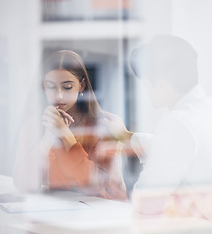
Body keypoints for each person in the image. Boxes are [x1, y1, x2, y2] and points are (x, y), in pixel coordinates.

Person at [101, 35, 212, 232]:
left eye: (146, 82)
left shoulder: (179, 123)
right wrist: (126, 135)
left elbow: (148, 199)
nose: (145, 88)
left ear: (161, 84)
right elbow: (173, 148)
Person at [13, 50, 127, 200]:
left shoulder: (104, 126)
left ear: (81, 86)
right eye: (51, 87)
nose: (59, 95)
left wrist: (66, 136)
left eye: (67, 87)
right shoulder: (34, 125)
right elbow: (24, 184)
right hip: (61, 212)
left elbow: (95, 187)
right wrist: (47, 138)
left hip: (103, 212)